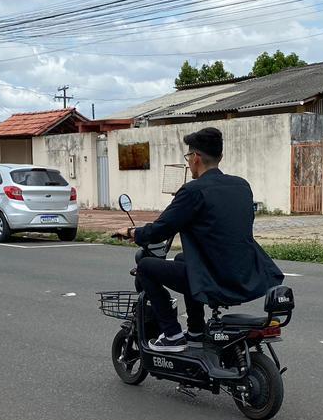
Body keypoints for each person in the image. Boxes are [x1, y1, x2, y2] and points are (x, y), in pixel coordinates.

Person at [120, 127, 284, 352]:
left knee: (146, 267)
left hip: (215, 278)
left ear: (196, 158)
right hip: (244, 274)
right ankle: (196, 330)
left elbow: (161, 229)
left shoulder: (193, 191)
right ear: (220, 157)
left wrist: (132, 233)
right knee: (181, 258)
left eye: (188, 157)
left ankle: (172, 335)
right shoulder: (242, 186)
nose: (189, 163)